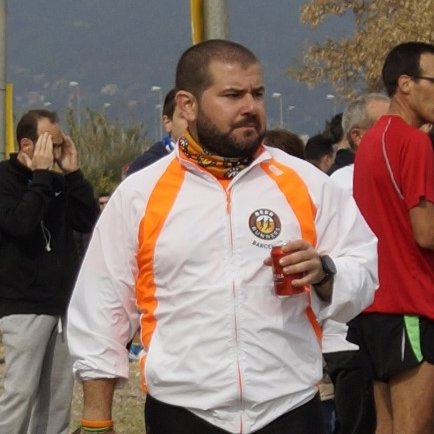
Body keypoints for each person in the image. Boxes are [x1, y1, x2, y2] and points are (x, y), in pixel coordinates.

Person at [68, 39, 378, 434]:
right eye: (233, 95)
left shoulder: (306, 182)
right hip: (184, 412)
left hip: (288, 408)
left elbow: (365, 267)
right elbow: (101, 307)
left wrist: (326, 273)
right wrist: (97, 420)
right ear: (187, 105)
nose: (250, 107)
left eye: (257, 94)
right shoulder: (140, 193)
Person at [0, 109, 99, 434]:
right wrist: (41, 177)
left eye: (60, 144)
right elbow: (20, 223)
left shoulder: (57, 182)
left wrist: (73, 174)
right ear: (26, 145)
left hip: (62, 305)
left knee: (57, 399)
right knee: (20, 393)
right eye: (51, 145)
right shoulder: (4, 180)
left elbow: (87, 221)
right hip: (24, 303)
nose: (56, 153)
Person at [353, 41, 434, 434]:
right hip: (411, 302)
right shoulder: (414, 141)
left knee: (386, 428)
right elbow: (426, 232)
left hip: (374, 305)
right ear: (406, 84)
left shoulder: (371, 140)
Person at [325, 92, 390, 434]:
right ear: (358, 136)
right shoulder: (340, 184)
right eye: (386, 125)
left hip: (386, 325)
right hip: (349, 337)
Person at [126, 88, 188, 175]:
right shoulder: (146, 166)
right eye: (184, 116)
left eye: (198, 116)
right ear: (167, 123)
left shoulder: (206, 163)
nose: (193, 120)